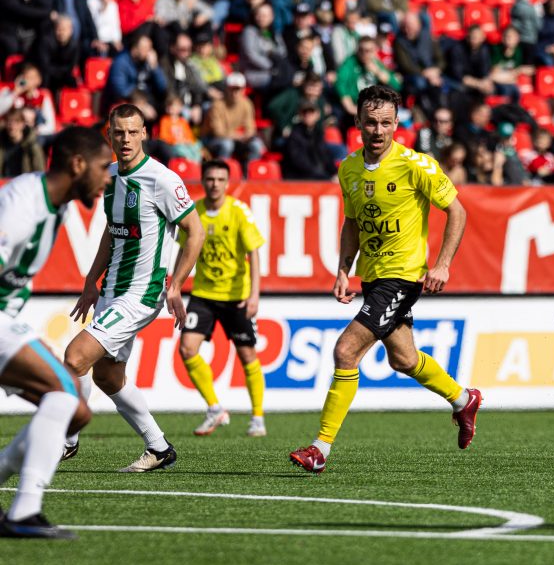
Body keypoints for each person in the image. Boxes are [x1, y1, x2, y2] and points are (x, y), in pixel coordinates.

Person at [289, 85, 481, 474]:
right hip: (373, 277)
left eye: (386, 123)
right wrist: (344, 269)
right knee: (403, 358)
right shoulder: (349, 169)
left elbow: (456, 212)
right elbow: (353, 223)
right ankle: (463, 400)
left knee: (346, 351)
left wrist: (442, 264)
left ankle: (319, 448)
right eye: (371, 122)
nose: (378, 130)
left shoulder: (417, 165)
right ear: (358, 122)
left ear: (398, 125)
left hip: (405, 275)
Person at [61, 103, 206, 471]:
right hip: (111, 290)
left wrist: (176, 284)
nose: (125, 139)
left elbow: (196, 232)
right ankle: (158, 448)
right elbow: (113, 232)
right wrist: (91, 282)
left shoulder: (163, 179)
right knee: (108, 376)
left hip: (142, 294)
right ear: (109, 136)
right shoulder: (109, 176)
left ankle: (64, 440)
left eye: (133, 132)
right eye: (119, 132)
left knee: (75, 358)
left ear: (145, 134)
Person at [0, 126, 110, 538]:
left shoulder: (58, 203)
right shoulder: (20, 204)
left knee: (75, 409)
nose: (106, 178)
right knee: (65, 395)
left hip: (7, 319)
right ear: (77, 164)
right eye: (102, 167)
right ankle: (24, 512)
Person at [178, 160, 267, 437]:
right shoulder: (194, 212)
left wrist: (254, 295)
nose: (214, 184)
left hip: (235, 296)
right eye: (210, 179)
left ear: (227, 183)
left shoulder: (239, 211)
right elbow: (184, 252)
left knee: (247, 355)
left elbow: (253, 253)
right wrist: (176, 286)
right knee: (187, 349)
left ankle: (257, 418)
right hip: (203, 294)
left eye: (219, 179)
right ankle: (215, 409)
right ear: (203, 181)